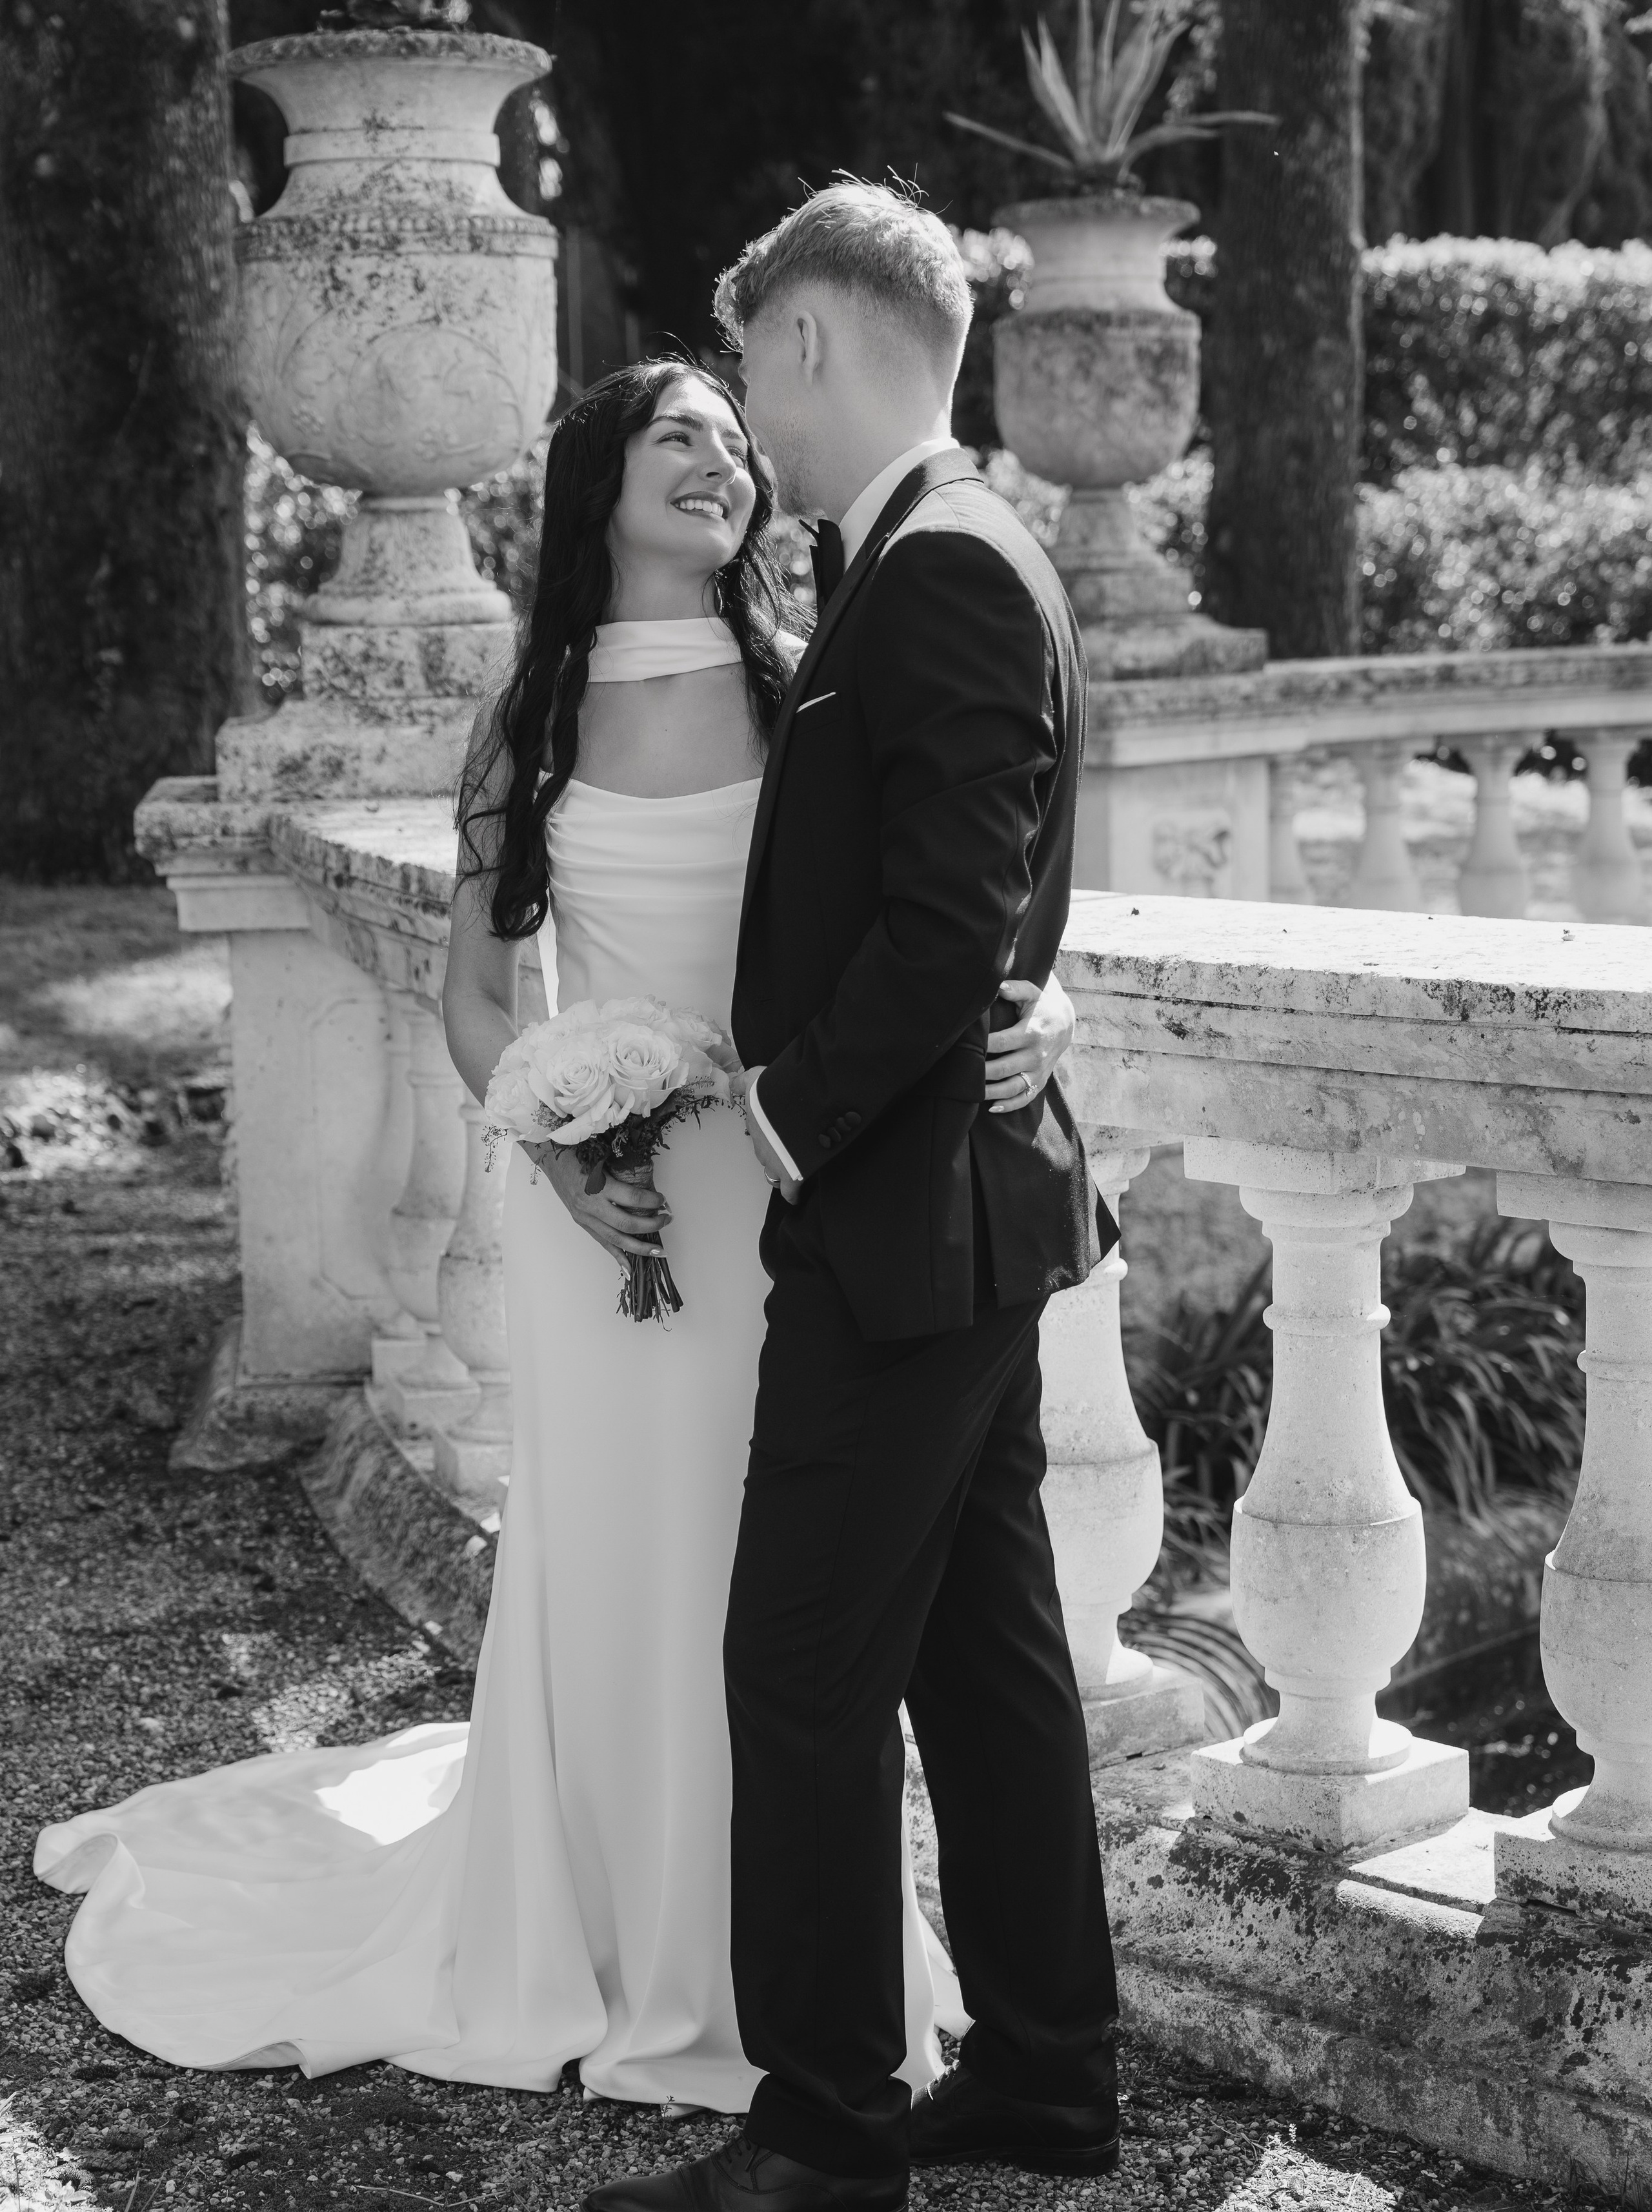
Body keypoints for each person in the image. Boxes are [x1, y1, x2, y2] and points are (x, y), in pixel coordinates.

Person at [34, 352, 1075, 2107]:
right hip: (607, 1216)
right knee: (627, 1570)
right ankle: (597, 1931)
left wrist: (1042, 1009)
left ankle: (770, 1967)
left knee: (780, 1600)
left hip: (793, 1200)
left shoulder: (795, 686)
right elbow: (472, 999)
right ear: (599, 480)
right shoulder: (527, 720)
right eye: (682, 434)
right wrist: (555, 1138)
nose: (723, 462)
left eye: (741, 442)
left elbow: (945, 897)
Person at [583, 181, 1122, 2212]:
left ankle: (821, 2126)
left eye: (756, 376)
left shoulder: (947, 568)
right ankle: (1053, 2067)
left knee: (796, 1662)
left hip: (905, 1234)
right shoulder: (918, 557)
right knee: (985, 1663)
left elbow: (947, 918)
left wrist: (783, 1120)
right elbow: (973, 899)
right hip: (957, 1228)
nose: (751, 426)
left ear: (812, 344)